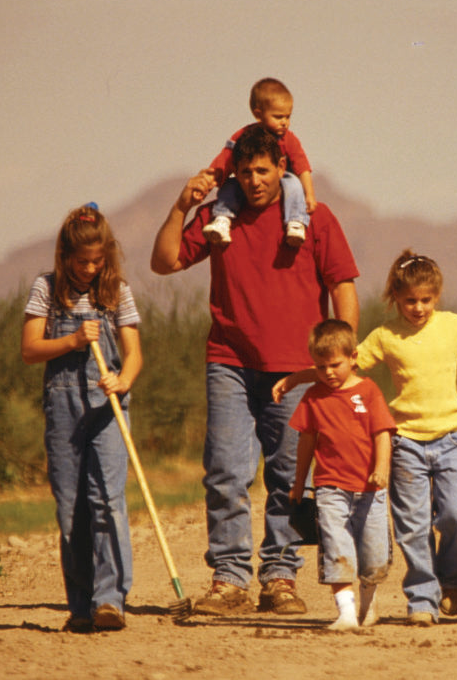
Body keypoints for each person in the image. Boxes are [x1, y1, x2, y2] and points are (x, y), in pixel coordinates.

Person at [150, 124, 360, 616]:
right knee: (225, 471)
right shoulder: (219, 218)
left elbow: (343, 286)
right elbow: (163, 262)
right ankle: (229, 580)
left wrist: (342, 360)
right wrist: (181, 205)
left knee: (290, 475)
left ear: (281, 168)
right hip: (229, 362)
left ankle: (281, 578)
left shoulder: (314, 217)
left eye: (263, 171)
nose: (254, 181)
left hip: (297, 370)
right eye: (244, 172)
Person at [275, 251, 457, 626]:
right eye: (410, 300)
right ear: (396, 297)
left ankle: (453, 578)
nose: (419, 308)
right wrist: (296, 378)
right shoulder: (386, 336)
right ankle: (422, 598)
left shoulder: (454, 326)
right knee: (413, 523)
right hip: (405, 440)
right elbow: (341, 365)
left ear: (436, 296)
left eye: (426, 299)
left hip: (452, 438)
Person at [20, 203, 144, 633]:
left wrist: (122, 381)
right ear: (65, 255)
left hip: (107, 409)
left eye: (98, 260)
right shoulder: (46, 289)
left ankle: (111, 600)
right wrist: (72, 339)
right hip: (63, 408)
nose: (91, 269)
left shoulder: (117, 291)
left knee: (108, 500)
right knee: (71, 508)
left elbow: (134, 354)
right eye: (82, 261)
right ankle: (81, 604)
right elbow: (29, 349)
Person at [287, 320, 396, 631]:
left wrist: (381, 468)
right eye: (320, 367)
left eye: (335, 364)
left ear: (353, 357)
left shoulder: (369, 391)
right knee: (336, 547)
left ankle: (368, 598)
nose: (328, 372)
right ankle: (346, 613)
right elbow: (306, 441)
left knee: (373, 553)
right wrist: (298, 483)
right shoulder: (313, 397)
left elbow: (382, 433)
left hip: (370, 489)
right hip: (329, 487)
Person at [202, 77, 316, 247]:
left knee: (293, 183)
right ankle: (223, 220)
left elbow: (302, 167)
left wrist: (309, 194)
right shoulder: (244, 137)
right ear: (258, 114)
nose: (284, 122)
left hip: (281, 182)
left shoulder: (288, 139)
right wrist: (211, 180)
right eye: (278, 117)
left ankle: (295, 222)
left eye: (288, 117)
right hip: (246, 185)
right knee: (230, 187)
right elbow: (226, 158)